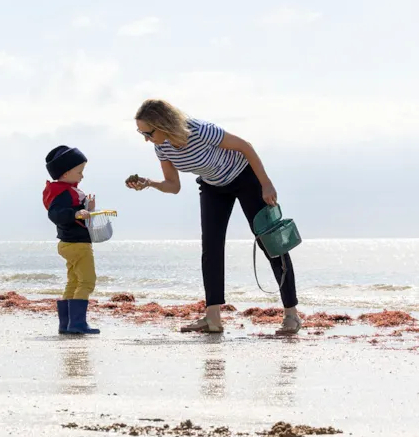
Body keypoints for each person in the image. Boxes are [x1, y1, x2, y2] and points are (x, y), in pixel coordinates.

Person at [126, 99, 301, 335]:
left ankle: (291, 314)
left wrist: (266, 183)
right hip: (212, 187)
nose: (146, 138)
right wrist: (149, 183)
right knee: (211, 248)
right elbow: (173, 185)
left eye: (148, 132)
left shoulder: (199, 130)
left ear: (164, 124)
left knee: (270, 243)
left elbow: (245, 147)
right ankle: (213, 319)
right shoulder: (162, 147)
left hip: (245, 178)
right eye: (141, 133)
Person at [43, 145, 101, 335]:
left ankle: (66, 324)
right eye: (79, 171)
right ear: (66, 173)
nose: (82, 176)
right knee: (87, 281)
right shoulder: (62, 193)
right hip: (77, 244)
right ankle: (77, 324)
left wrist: (88, 209)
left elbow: (76, 214)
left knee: (74, 281)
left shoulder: (66, 191)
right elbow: (56, 214)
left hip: (68, 243)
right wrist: (76, 213)